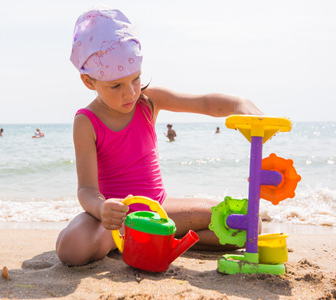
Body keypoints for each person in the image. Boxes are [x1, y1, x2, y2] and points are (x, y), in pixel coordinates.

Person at [56, 7, 263, 266]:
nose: (130, 93)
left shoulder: (148, 101)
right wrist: (102, 209)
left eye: (135, 79)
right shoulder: (86, 122)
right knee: (71, 250)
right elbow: (86, 189)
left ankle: (155, 236)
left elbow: (206, 103)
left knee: (245, 225)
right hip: (115, 219)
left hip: (159, 209)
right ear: (89, 81)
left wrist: (238, 103)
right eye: (116, 85)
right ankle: (131, 236)